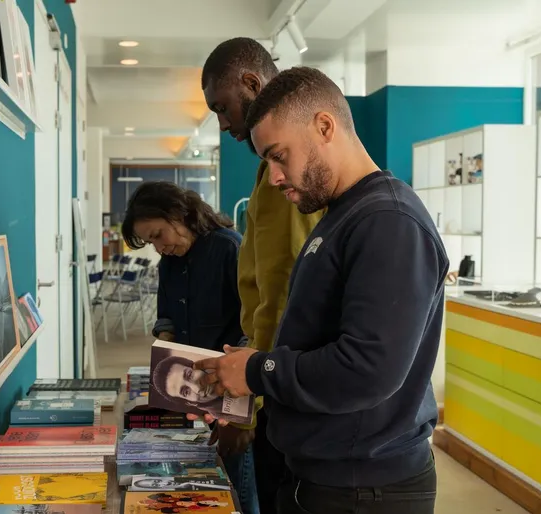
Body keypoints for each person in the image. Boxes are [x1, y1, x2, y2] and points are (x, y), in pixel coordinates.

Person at [194, 67, 447, 514]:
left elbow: (367, 369)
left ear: (325, 126)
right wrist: (250, 359)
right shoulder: (341, 214)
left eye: (279, 156)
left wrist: (258, 371)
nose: (273, 177)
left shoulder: (388, 221)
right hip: (324, 472)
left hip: (363, 487)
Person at [200, 37, 323, 514]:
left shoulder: (286, 182)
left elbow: (280, 292)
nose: (223, 122)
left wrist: (247, 404)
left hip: (278, 386)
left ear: (252, 83)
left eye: (223, 107)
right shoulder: (270, 172)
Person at [121, 181, 259, 514]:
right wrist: (166, 340)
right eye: (150, 241)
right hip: (190, 387)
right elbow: (165, 314)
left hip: (232, 389)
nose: (158, 247)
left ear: (178, 215)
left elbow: (252, 321)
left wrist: (237, 403)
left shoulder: (229, 248)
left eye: (158, 235)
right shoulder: (168, 262)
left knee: (236, 484)